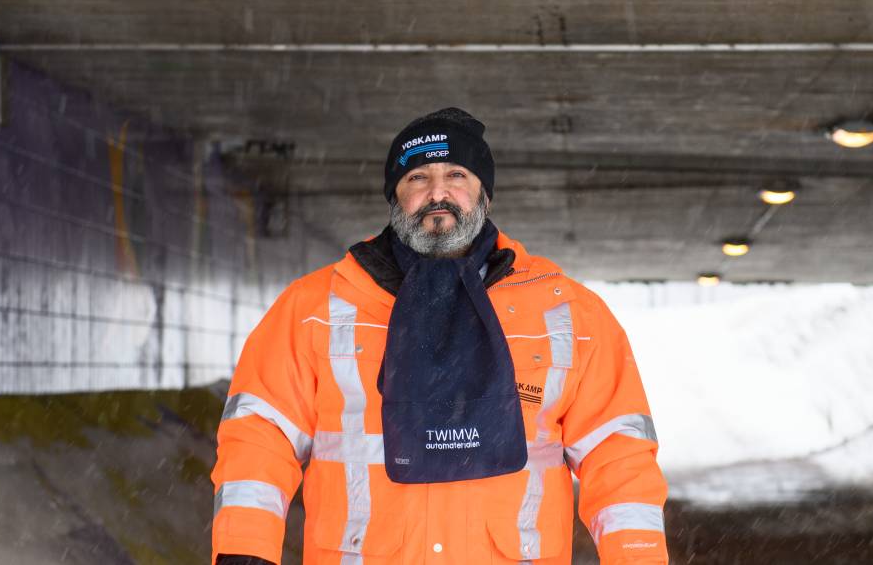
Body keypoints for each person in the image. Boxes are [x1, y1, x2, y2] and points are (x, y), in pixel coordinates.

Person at [211, 108, 668, 564]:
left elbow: (618, 454)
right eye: (417, 178)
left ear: (483, 194)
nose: (437, 194)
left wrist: (638, 555)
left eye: (456, 175)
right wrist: (244, 551)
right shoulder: (314, 309)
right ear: (395, 195)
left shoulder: (566, 312)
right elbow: (260, 437)